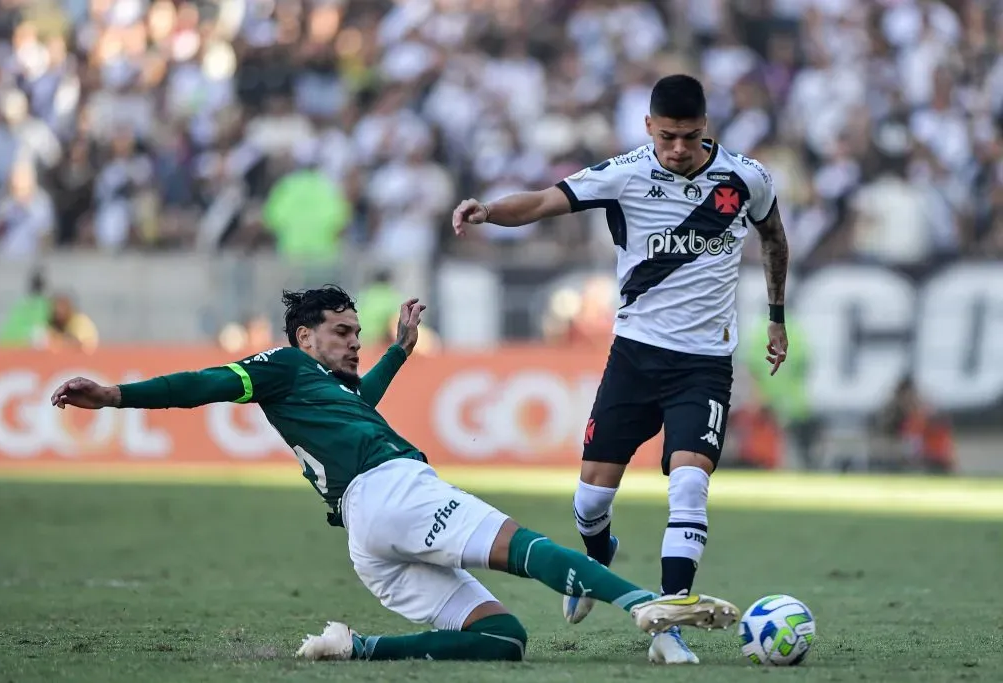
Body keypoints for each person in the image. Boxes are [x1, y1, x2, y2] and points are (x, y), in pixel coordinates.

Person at [48, 286, 739, 665]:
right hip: (392, 490)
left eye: (357, 331)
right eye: (343, 332)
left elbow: (356, 407)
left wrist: (399, 352)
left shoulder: (320, 388)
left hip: (365, 536)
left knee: (503, 639)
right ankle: (647, 604)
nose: (355, 341)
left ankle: (357, 647)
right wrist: (117, 395)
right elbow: (203, 382)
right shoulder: (280, 368)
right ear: (304, 337)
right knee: (521, 545)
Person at [451, 74, 789, 664]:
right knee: (588, 501)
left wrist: (779, 316)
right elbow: (542, 201)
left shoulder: (746, 178)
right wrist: (489, 212)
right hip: (634, 358)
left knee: (689, 486)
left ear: (705, 128)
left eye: (688, 137)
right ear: (648, 129)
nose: (677, 149)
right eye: (666, 137)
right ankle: (596, 553)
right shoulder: (625, 172)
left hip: (705, 364)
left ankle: (668, 621)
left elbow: (775, 238)